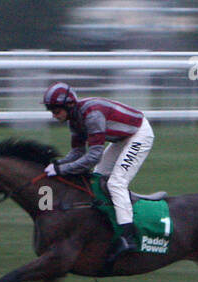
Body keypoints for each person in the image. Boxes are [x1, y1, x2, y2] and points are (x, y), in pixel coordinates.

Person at [42, 83, 153, 260]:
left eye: (56, 111)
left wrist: (61, 169)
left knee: (116, 183)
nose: (54, 116)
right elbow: (78, 153)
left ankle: (128, 237)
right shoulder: (75, 120)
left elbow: (93, 156)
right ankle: (106, 225)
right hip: (121, 138)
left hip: (139, 134)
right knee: (97, 179)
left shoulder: (92, 115)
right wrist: (56, 165)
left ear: (69, 105)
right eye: (51, 112)